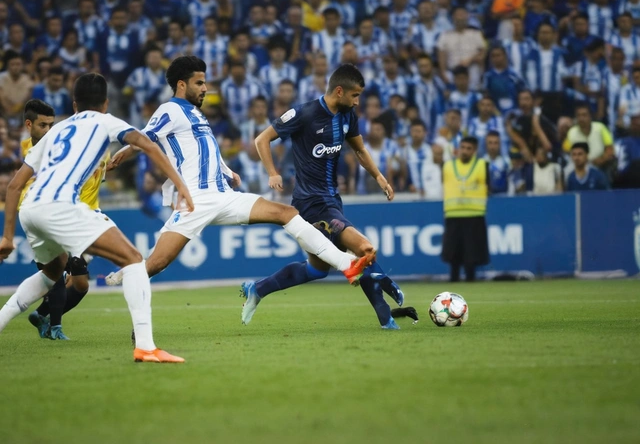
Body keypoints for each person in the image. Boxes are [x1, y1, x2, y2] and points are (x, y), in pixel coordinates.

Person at [105, 57, 371, 300]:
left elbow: (203, 147)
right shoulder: (169, 110)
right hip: (195, 200)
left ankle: (347, 265)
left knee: (286, 212)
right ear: (181, 85)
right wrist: (119, 155)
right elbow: (143, 138)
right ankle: (130, 278)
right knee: (157, 263)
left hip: (224, 196)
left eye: (205, 82)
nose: (205, 88)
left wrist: (226, 170)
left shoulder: (196, 113)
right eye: (199, 83)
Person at [0, 73, 192, 363]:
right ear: (105, 102)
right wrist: (181, 186)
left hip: (30, 209)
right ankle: (146, 346)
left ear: (74, 104)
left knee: (52, 274)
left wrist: (6, 236)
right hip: (61, 206)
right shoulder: (107, 121)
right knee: (133, 259)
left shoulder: (56, 130)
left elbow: (14, 185)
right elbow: (149, 145)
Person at [250, 64, 405, 329]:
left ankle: (257, 289)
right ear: (340, 91)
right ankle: (386, 319)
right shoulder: (304, 113)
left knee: (317, 270)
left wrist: (379, 177)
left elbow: (359, 150)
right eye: (355, 96)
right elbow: (262, 139)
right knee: (365, 249)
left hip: (333, 202)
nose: (358, 102)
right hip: (311, 205)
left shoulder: (348, 115)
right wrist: (272, 172)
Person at [18, 99, 109, 340]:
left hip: (74, 215)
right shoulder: (36, 148)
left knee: (80, 284)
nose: (48, 130)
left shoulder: (86, 145)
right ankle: (54, 328)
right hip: (46, 214)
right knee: (57, 274)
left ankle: (41, 315)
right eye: (43, 125)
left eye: (51, 125)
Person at [441, 136, 490, 282]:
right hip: (453, 214)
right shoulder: (448, 166)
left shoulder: (482, 165)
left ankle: (471, 282)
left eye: (469, 148)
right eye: (462, 147)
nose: (464, 151)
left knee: (472, 255)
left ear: (474, 151)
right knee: (453, 255)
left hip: (474, 214)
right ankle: (453, 281)